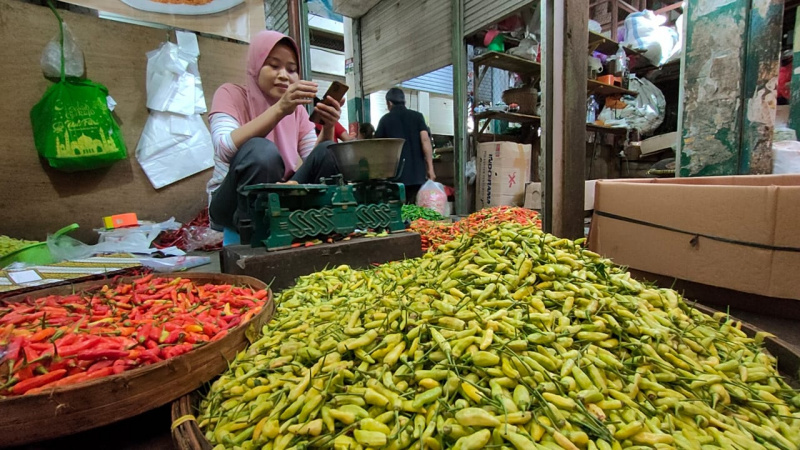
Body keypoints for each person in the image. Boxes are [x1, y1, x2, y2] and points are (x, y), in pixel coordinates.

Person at [206, 31, 344, 232]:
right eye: (273, 65)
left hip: (279, 192)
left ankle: (320, 226)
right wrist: (279, 110)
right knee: (260, 152)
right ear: (256, 67)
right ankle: (253, 236)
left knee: (330, 151)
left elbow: (314, 158)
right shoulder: (230, 94)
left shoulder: (297, 111)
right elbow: (224, 148)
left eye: (291, 69)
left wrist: (329, 125)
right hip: (232, 204)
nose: (283, 76)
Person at [375, 88, 435, 202]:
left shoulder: (385, 120)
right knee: (416, 212)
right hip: (418, 175)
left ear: (389, 103)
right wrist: (430, 168)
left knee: (399, 212)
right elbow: (425, 140)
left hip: (396, 178)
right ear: (404, 101)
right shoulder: (418, 117)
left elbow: (378, 148)